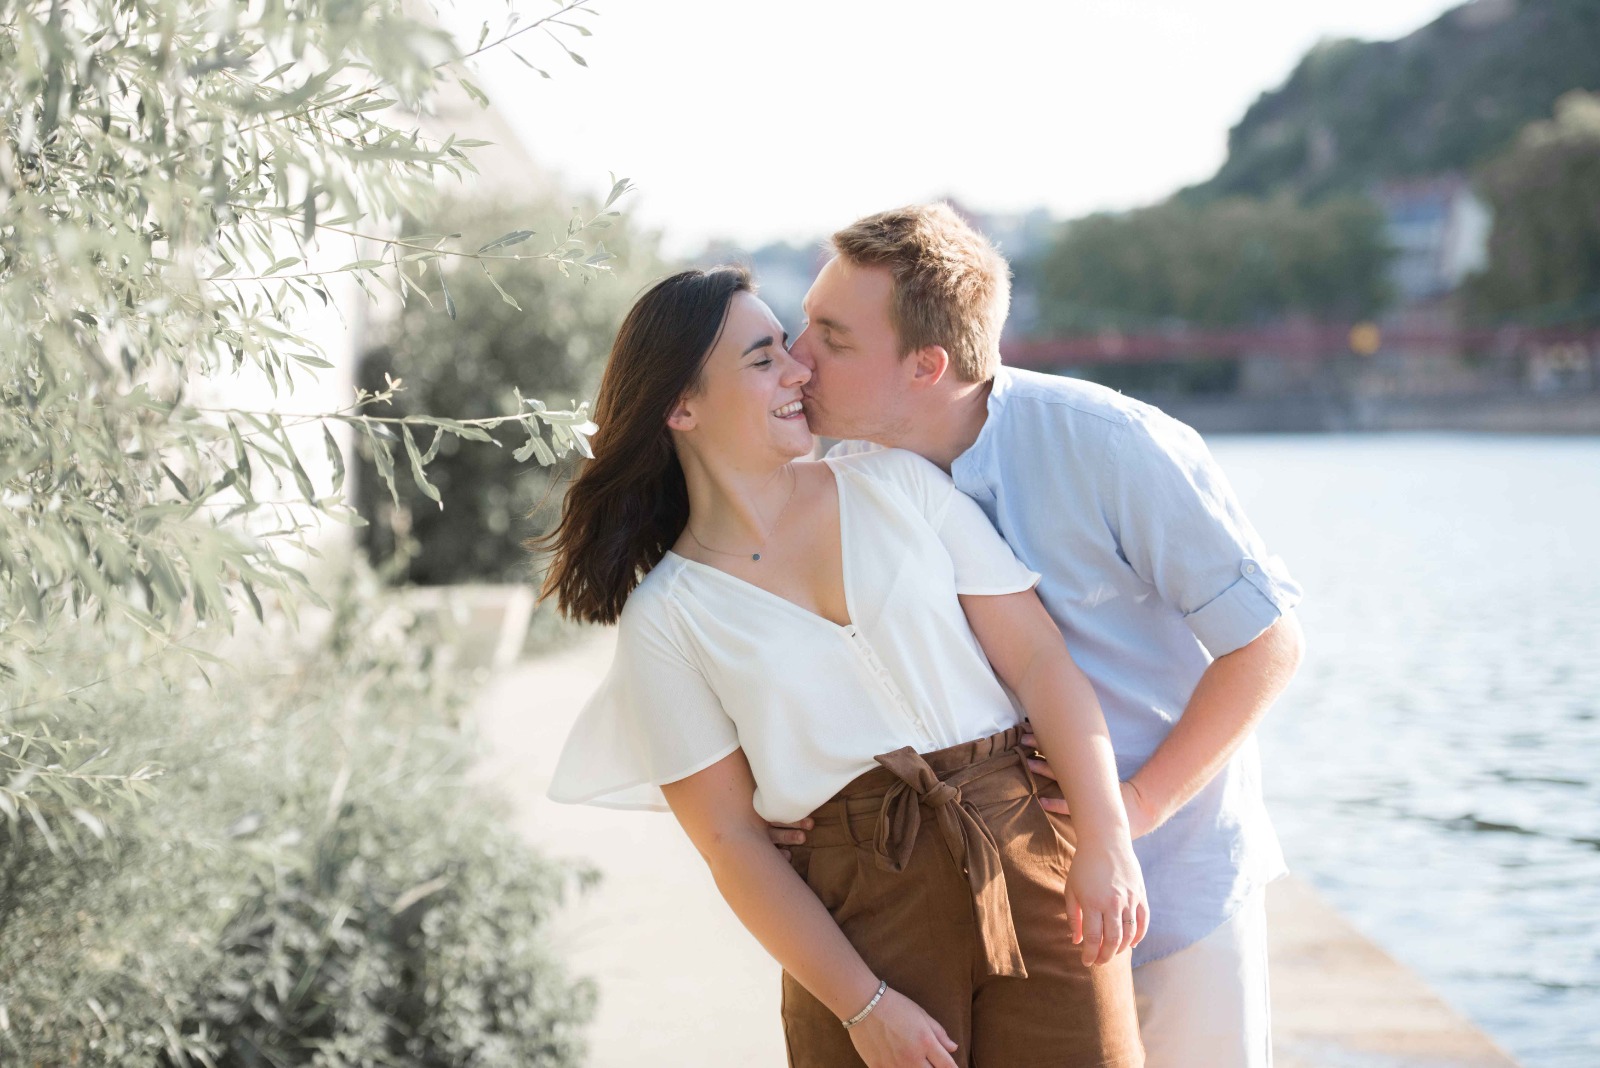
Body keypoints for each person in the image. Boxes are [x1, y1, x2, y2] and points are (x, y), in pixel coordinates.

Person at [542, 266, 1146, 1067]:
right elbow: (731, 841)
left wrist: (1107, 840)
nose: (800, 369)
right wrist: (864, 1006)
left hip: (1030, 865)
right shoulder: (667, 618)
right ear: (681, 408)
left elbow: (1040, 663)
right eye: (762, 359)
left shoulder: (899, 486)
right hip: (860, 925)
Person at [776, 203, 1305, 1068]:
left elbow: (1268, 646)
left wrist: (1131, 812)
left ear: (927, 365)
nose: (797, 358)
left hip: (1173, 886)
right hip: (999, 911)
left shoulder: (1113, 446)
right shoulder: (839, 478)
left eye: (831, 337)